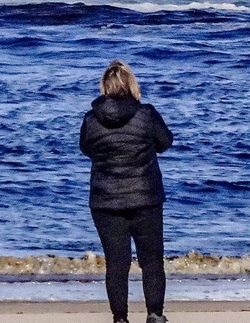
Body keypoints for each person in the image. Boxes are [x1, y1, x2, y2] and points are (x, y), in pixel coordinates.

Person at [80, 60, 174, 323]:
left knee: (116, 263)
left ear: (104, 87)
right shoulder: (146, 114)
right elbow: (165, 142)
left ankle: (120, 319)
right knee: (152, 260)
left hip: (105, 200)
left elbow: (86, 149)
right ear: (132, 85)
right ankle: (155, 314)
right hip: (146, 197)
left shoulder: (91, 119)